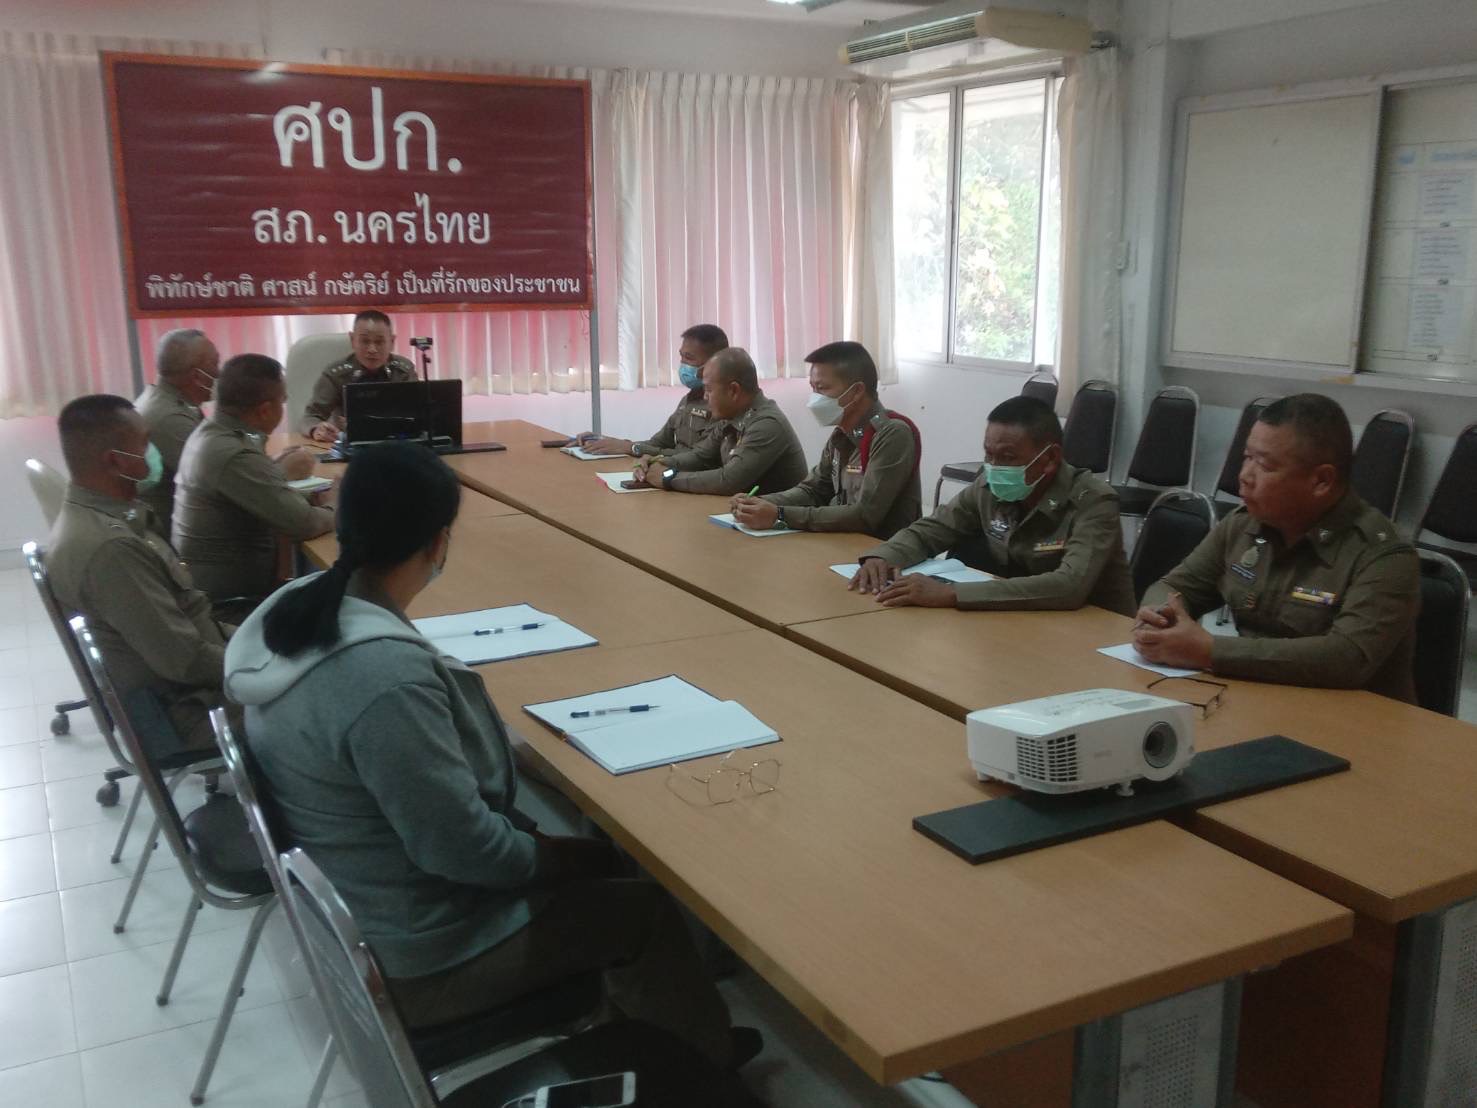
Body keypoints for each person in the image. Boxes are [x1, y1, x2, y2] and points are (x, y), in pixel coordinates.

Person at [223, 443, 759, 1069]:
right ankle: (701, 1070)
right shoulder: (383, 678)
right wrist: (559, 857)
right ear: (438, 541)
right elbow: (462, 851)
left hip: (366, 906)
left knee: (590, 862)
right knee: (641, 909)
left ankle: (641, 1038)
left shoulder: (301, 608)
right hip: (421, 959)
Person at [1134, 393, 1419, 701]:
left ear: (1321, 481)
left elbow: (1347, 658)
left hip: (1352, 717)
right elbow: (1175, 586)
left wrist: (1211, 651)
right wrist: (1160, 619)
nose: (1245, 476)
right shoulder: (1243, 525)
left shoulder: (1383, 555)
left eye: (1265, 465)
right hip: (1257, 700)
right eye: (1247, 457)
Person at [45, 395, 231, 754]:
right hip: (190, 713)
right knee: (325, 698)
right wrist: (262, 664)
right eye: (145, 442)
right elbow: (187, 661)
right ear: (115, 460)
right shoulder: (111, 549)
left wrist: (259, 643)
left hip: (196, 686)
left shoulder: (111, 517)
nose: (154, 451)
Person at [849, 396, 1135, 615]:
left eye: (1008, 457)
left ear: (1050, 459)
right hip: (1021, 618)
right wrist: (883, 557)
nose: (995, 467)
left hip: (1094, 631)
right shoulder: (988, 485)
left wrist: (952, 594)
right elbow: (932, 529)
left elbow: (1069, 585)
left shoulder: (1093, 501)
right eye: (989, 454)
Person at [174, 354, 335, 609]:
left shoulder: (213, 433)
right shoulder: (232, 453)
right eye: (283, 401)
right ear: (265, 410)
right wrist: (337, 503)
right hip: (232, 605)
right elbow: (304, 524)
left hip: (224, 589)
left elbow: (259, 491)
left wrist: (284, 479)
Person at [730, 341, 921, 539]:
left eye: (822, 388)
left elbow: (865, 515)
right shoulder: (841, 435)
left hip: (879, 550)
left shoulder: (892, 434)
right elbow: (813, 490)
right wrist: (758, 503)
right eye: (813, 388)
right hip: (841, 541)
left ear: (857, 391)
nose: (815, 398)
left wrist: (779, 515)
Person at [633, 347, 808, 495]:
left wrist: (668, 477)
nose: (705, 397)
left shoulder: (766, 424)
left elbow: (729, 480)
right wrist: (659, 462)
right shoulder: (731, 416)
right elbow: (701, 457)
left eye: (709, 390)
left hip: (777, 522)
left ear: (733, 390)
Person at [578, 324, 729, 457]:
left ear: (714, 362)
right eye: (681, 356)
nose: (682, 364)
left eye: (689, 358)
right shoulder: (688, 400)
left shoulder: (722, 406)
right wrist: (606, 442)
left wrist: (632, 448)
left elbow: (698, 457)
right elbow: (657, 443)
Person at [134, 329, 219, 538]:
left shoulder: (169, 401)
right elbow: (223, 482)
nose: (219, 373)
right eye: (215, 364)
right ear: (197, 376)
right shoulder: (169, 418)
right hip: (175, 534)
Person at [302, 310, 418, 442]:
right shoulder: (337, 375)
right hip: (352, 444)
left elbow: (418, 413)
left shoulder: (403, 371)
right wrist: (316, 429)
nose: (372, 349)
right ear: (352, 340)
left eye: (379, 342)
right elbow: (311, 416)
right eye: (365, 341)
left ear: (392, 342)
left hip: (397, 442)